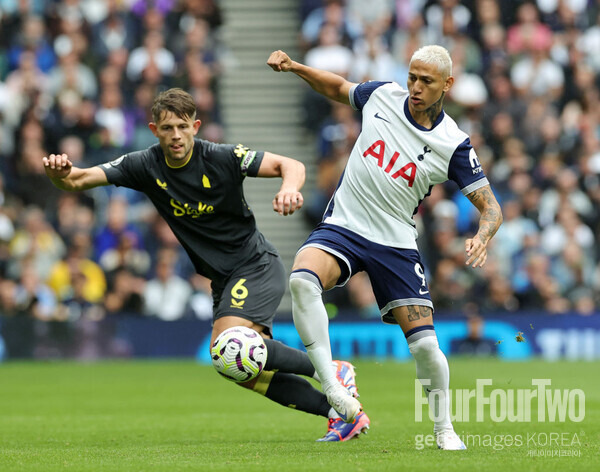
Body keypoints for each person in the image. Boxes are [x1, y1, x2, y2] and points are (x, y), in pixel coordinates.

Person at [42, 87, 370, 442]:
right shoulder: (144, 165)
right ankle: (339, 412)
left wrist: (289, 188)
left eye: (183, 126)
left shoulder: (222, 157)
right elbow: (77, 179)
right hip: (223, 279)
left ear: (195, 126)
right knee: (237, 367)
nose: (176, 136)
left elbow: (290, 165)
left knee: (231, 347)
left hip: (254, 264)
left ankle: (332, 370)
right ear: (154, 131)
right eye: (167, 128)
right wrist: (60, 172)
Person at [267, 45, 503, 450]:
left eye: (426, 81)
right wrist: (294, 67)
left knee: (427, 346)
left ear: (447, 85)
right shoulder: (383, 95)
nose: (414, 87)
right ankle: (334, 389)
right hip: (345, 225)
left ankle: (444, 429)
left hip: (394, 242)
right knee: (303, 281)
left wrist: (482, 236)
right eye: (412, 76)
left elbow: (491, 207)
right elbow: (338, 86)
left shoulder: (454, 144)